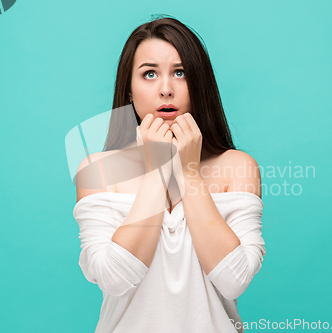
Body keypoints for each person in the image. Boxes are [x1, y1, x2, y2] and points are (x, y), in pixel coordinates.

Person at [72, 15, 265, 333]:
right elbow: (115, 278)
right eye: (149, 74)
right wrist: (157, 169)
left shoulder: (238, 167)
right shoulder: (98, 172)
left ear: (199, 85)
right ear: (129, 91)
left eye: (180, 73)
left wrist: (188, 172)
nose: (165, 89)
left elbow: (234, 280)